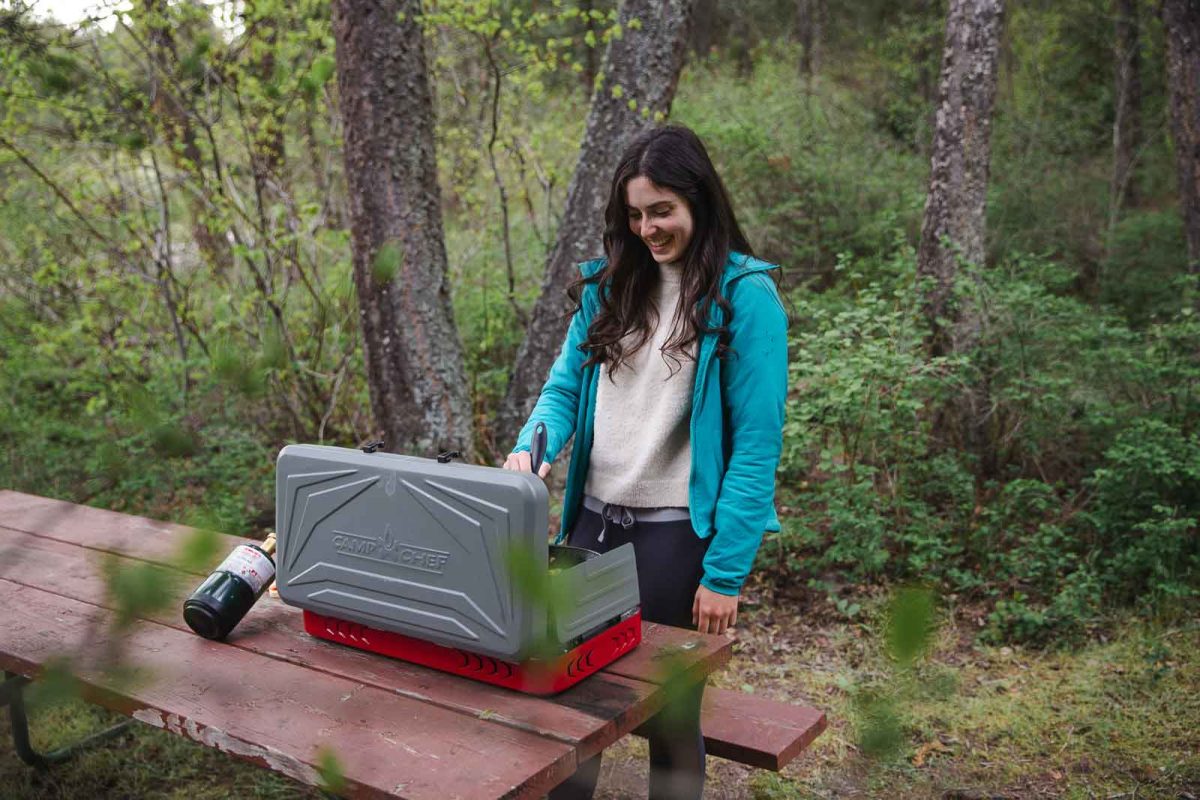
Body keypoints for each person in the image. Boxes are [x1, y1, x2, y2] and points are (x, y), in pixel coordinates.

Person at [503, 124, 788, 799]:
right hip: (591, 525)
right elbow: (563, 390)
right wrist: (532, 443)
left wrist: (725, 573)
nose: (648, 228)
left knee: (667, 716)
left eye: (662, 211)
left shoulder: (746, 298)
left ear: (699, 202)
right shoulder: (610, 286)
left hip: (674, 539)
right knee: (567, 712)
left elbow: (756, 444)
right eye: (635, 214)